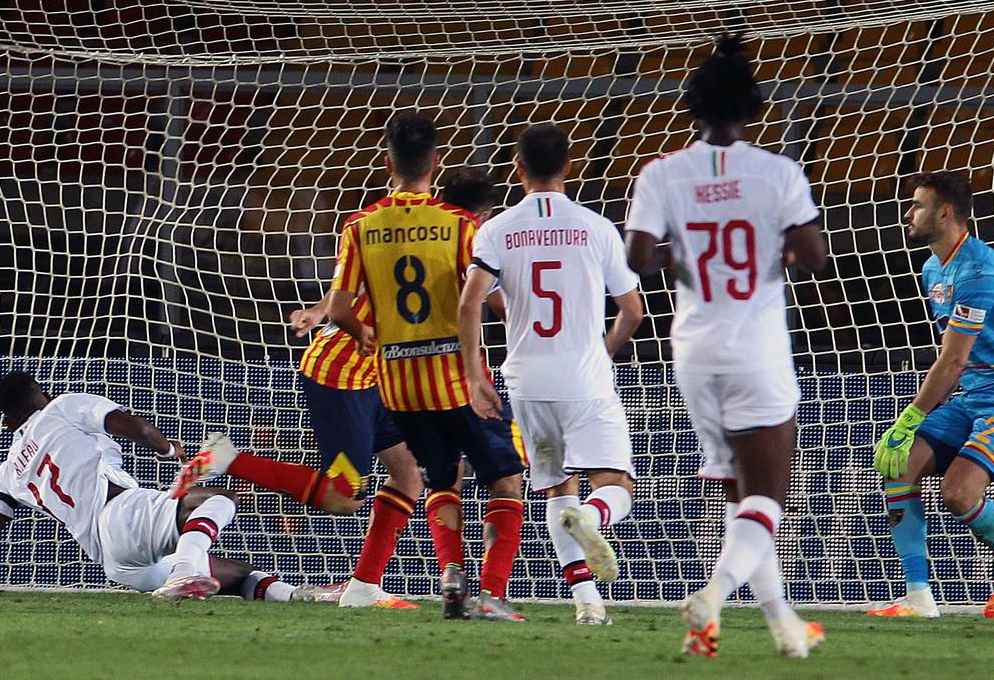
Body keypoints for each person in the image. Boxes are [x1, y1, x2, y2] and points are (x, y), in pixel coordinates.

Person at [177, 166, 504, 610]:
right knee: (343, 496)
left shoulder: (408, 235)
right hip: (342, 375)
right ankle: (223, 458)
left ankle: (365, 586)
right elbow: (352, 297)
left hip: (383, 377)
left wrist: (318, 312)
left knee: (409, 474)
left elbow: (351, 292)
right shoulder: (447, 241)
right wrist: (321, 313)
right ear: (480, 219)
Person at [624, 35, 828, 657]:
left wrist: (685, 258)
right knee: (766, 496)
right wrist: (780, 248)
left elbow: (638, 258)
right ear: (754, 107)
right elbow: (815, 258)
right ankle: (711, 596)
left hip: (692, 350)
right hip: (756, 347)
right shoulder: (777, 172)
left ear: (693, 107)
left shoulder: (661, 173)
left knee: (740, 501)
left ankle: (783, 628)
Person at [326, 111, 528, 621]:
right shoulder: (460, 225)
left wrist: (365, 334)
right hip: (457, 382)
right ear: (435, 162)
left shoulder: (359, 226)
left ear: (387, 161)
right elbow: (484, 300)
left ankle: (452, 579)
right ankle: (492, 594)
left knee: (441, 482)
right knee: (506, 481)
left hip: (399, 388)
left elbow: (339, 309)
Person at [458, 123, 644, 625]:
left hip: (526, 384)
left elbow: (470, 302)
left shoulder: (496, 230)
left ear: (517, 170)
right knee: (615, 484)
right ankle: (594, 519)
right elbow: (632, 311)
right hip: (584, 379)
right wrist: (603, 352)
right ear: (569, 166)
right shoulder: (597, 227)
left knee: (556, 489)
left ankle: (587, 604)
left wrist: (476, 377)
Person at [867, 171, 994, 619]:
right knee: (897, 462)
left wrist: (908, 418)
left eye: (917, 205)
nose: (908, 214)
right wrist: (908, 431)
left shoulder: (980, 271)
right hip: (975, 393)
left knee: (957, 493)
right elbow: (955, 364)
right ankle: (918, 598)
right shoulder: (934, 267)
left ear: (945, 213)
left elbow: (952, 360)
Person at [0, 372, 296, 603]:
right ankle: (183, 570)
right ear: (46, 395)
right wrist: (169, 450)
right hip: (121, 515)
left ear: (10, 423)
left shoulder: (9, 471)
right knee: (219, 499)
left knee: (238, 574)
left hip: (115, 564)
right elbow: (141, 429)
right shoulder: (60, 408)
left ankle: (293, 596)